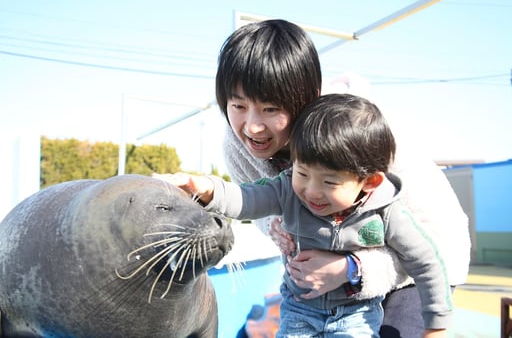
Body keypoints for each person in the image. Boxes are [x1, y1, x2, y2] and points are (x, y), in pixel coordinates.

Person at [213, 19, 470, 338]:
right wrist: (281, 233)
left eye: (270, 109)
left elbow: (427, 248)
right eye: (238, 105)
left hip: (419, 262)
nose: (251, 126)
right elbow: (268, 212)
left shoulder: (357, 136)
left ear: (307, 98)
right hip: (334, 279)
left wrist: (352, 269)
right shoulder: (237, 145)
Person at [165, 93, 453, 337]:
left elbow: (426, 262)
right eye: (302, 173)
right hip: (299, 311)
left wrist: (436, 324)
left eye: (330, 182)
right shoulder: (288, 189)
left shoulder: (387, 211)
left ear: (369, 182)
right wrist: (207, 189)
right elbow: (248, 197)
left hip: (357, 316)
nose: (312, 191)